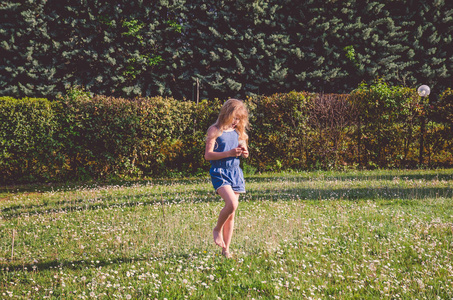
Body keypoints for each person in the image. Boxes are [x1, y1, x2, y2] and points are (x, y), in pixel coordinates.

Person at [204, 98, 249, 258]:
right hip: (220, 172)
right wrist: (228, 153)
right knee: (232, 203)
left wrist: (244, 152)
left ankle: (226, 250)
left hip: (235, 173)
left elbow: (245, 151)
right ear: (226, 114)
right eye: (234, 118)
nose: (236, 121)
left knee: (232, 213)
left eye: (239, 119)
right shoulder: (215, 130)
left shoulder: (239, 132)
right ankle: (217, 229)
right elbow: (208, 155)